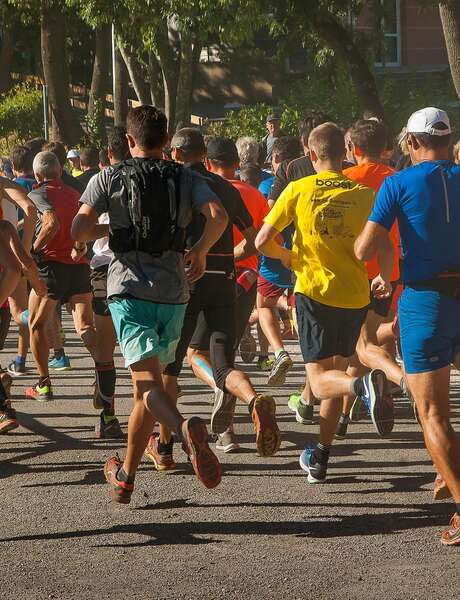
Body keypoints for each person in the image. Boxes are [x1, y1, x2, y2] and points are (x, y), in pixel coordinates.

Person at [72, 106, 227, 503]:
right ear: (165, 142)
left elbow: (80, 226)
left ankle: (185, 435)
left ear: (129, 141)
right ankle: (125, 476)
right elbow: (218, 216)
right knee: (148, 386)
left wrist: (101, 232)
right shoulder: (186, 176)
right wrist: (201, 249)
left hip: (128, 289)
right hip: (175, 292)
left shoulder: (109, 176)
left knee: (146, 385)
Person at [256, 122, 393, 484]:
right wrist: (385, 276)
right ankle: (321, 455)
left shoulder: (298, 189)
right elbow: (385, 243)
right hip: (354, 295)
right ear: (345, 154)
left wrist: (284, 256)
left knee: (318, 381)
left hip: (314, 293)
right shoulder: (364, 194)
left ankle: (362, 388)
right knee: (335, 370)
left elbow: (262, 241)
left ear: (311, 154)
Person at [355, 107, 460, 546]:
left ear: (413, 142)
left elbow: (364, 248)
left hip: (426, 299)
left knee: (431, 410)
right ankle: (445, 472)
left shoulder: (397, 183)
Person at [161, 128, 280, 459]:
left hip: (184, 281)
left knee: (169, 368)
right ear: (204, 155)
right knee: (223, 364)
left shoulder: (172, 185)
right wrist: (230, 256)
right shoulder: (227, 190)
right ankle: (256, 403)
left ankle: (165, 447)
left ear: (175, 154)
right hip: (224, 281)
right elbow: (255, 239)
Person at [335, 119, 401, 439]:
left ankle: (400, 382)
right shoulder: (399, 180)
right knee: (371, 341)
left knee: (361, 347)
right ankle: (348, 414)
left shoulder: (345, 180)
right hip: (393, 273)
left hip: (358, 273)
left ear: (354, 149)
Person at [25, 151, 97, 402]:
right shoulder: (74, 193)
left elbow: (51, 223)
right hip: (78, 265)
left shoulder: (37, 194)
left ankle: (43, 383)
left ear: (37, 175)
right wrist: (79, 245)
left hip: (51, 267)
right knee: (85, 326)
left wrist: (33, 250)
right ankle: (103, 373)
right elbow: (85, 225)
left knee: (36, 324)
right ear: (60, 171)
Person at [87, 127, 129, 439]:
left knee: (106, 349)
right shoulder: (152, 176)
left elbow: (83, 228)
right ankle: (160, 427)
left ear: (108, 152)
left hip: (105, 268)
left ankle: (109, 416)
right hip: (145, 269)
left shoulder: (102, 179)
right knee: (144, 352)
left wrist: (110, 231)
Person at [0, 214, 46, 433]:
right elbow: (20, 266)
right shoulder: (5, 225)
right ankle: (3, 408)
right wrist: (38, 287)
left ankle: (3, 410)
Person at [4, 148, 38, 377]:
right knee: (20, 313)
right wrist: (24, 249)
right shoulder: (5, 184)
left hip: (8, 255)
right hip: (11, 257)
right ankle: (20, 359)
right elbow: (30, 208)